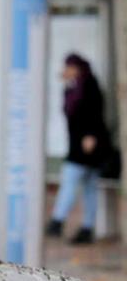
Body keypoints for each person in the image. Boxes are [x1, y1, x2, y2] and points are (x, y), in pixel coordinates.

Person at [47, 54, 110, 244]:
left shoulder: (89, 84)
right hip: (77, 143)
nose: (65, 70)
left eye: (69, 67)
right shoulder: (73, 87)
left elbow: (95, 112)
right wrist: (67, 85)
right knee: (88, 186)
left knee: (72, 180)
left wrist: (90, 136)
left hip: (89, 144)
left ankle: (58, 221)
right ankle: (86, 227)